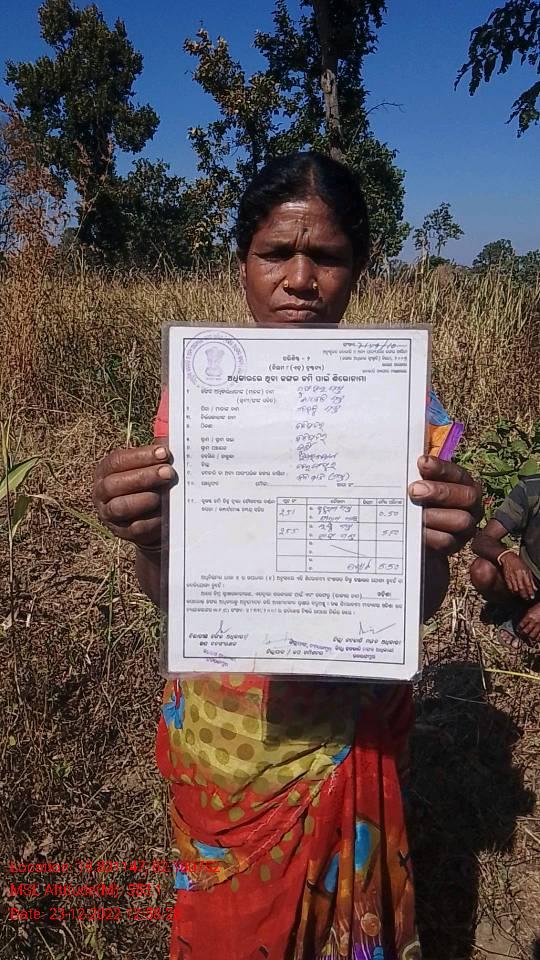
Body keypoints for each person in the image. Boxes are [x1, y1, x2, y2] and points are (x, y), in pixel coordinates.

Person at [92, 152, 483, 960]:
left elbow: (418, 603)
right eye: (276, 253)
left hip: (349, 738)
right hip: (231, 747)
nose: (300, 279)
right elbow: (170, 594)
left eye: (326, 256)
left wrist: (435, 545)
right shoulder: (199, 394)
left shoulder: (403, 403)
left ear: (358, 269)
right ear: (242, 262)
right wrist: (153, 538)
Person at [470, 476, 540, 647]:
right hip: (532, 581)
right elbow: (482, 540)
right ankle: (518, 609)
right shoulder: (532, 489)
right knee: (483, 571)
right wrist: (507, 556)